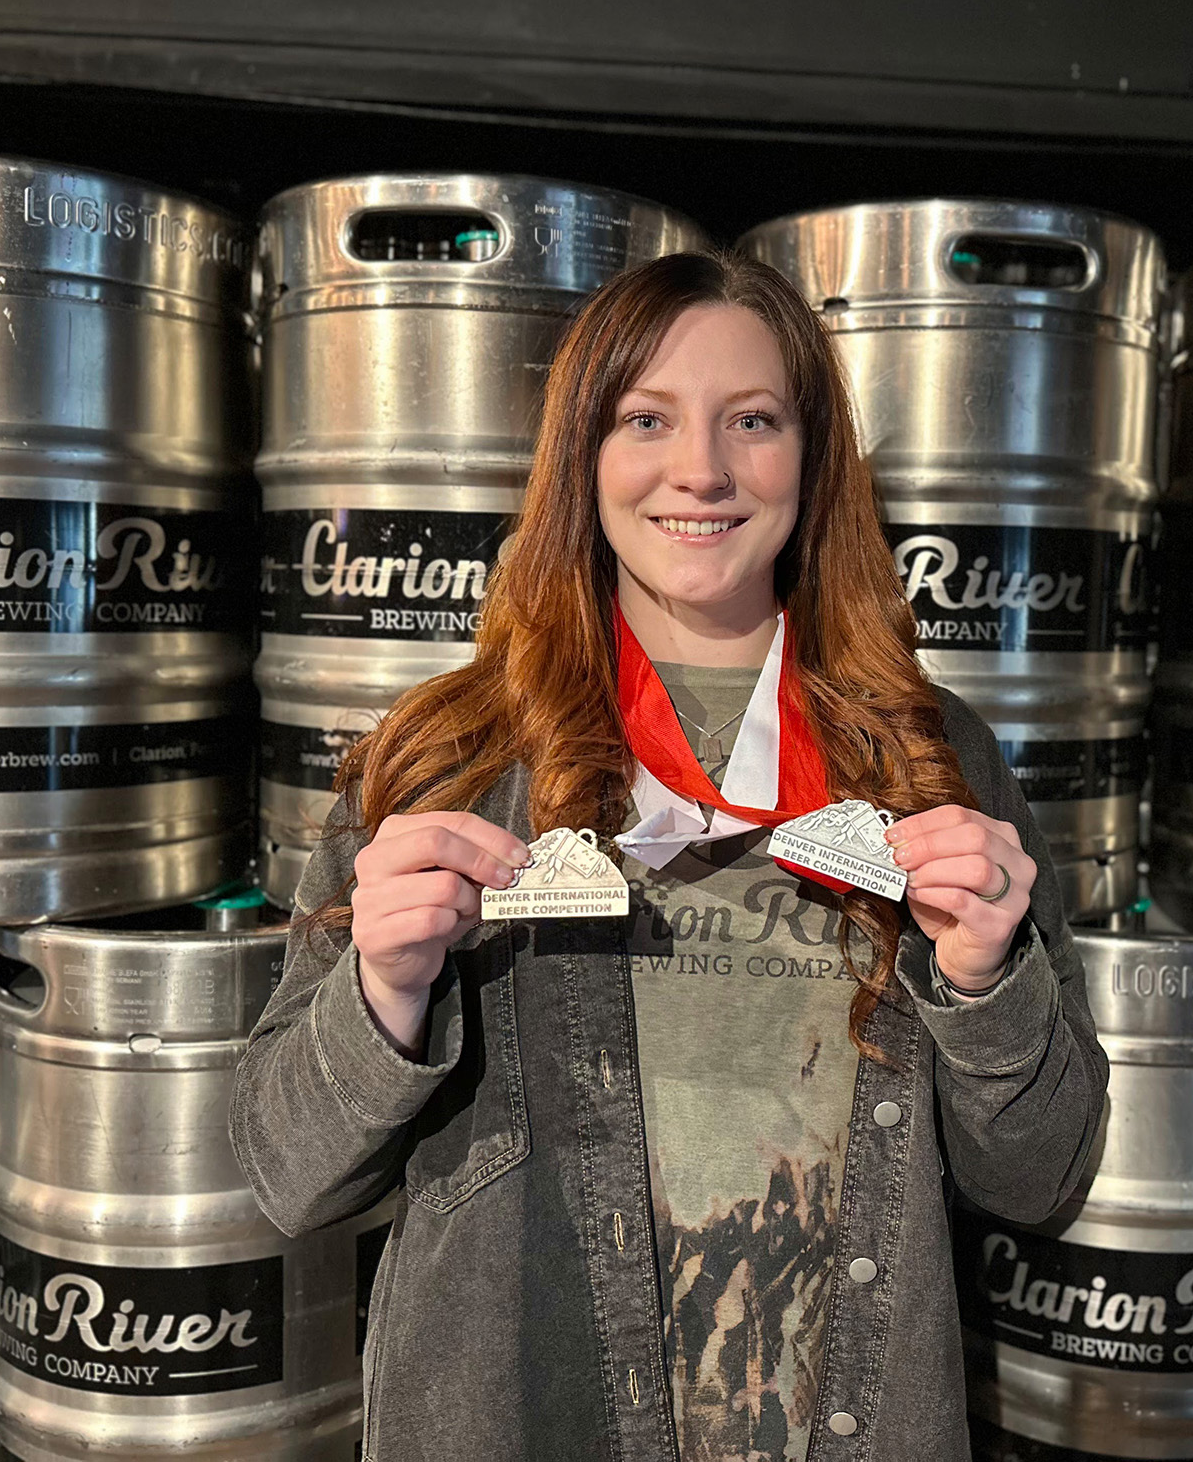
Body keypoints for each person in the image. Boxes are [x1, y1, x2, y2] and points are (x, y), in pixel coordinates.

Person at [231, 250, 1108, 1462]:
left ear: (813, 459)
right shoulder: (449, 754)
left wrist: (985, 982)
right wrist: (382, 995)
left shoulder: (930, 757)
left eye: (753, 421)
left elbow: (1046, 1179)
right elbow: (289, 1177)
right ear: (583, 453)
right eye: (648, 419)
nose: (701, 470)